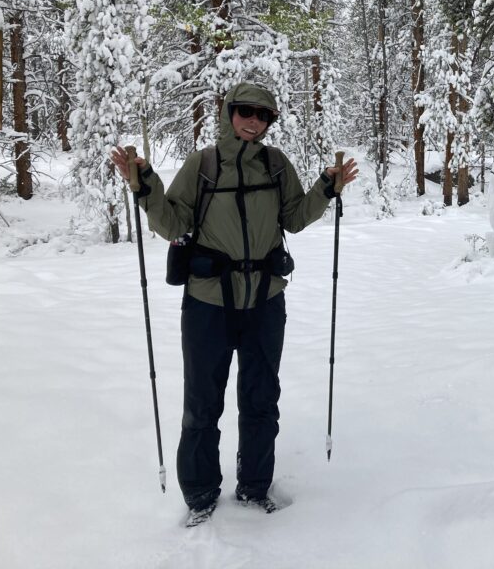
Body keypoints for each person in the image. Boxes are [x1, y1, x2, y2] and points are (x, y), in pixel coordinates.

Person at [111, 82, 357, 524]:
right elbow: (173, 223)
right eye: (246, 111)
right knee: (203, 403)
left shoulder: (276, 164)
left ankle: (255, 487)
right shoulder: (202, 164)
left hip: (266, 301)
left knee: (262, 398)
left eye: (264, 116)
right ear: (229, 113)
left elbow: (295, 218)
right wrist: (145, 185)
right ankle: (202, 495)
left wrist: (326, 189)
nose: (254, 121)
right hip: (208, 304)